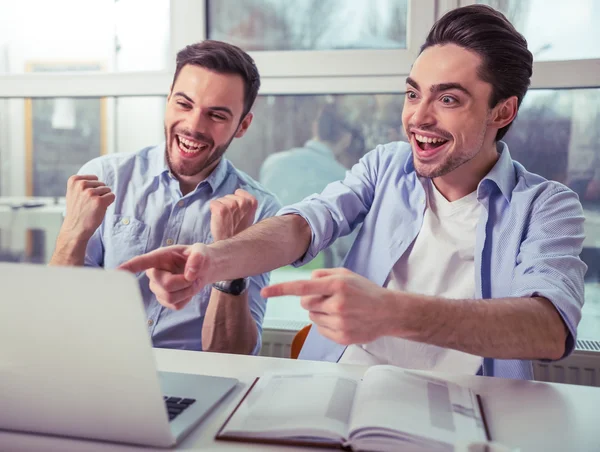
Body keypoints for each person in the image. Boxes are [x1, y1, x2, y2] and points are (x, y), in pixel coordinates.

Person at [119, 5, 586, 379]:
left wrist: (393, 313)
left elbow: (547, 328)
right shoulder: (387, 166)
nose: (418, 117)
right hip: (340, 391)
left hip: (470, 412)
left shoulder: (547, 206)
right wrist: (216, 258)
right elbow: (304, 224)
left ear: (501, 112)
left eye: (448, 99)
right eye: (412, 93)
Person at [50, 41, 280, 355]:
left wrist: (230, 258)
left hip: (197, 380)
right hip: (99, 365)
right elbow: (57, 317)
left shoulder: (260, 211)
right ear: (168, 98)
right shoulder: (105, 176)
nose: (193, 126)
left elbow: (233, 357)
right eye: (184, 104)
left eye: (216, 115)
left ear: (243, 126)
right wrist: (72, 234)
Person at [259, 104, 364, 266]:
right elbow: (351, 245)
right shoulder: (345, 179)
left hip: (269, 270)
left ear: (315, 128)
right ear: (346, 139)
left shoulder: (273, 163)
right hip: (319, 276)